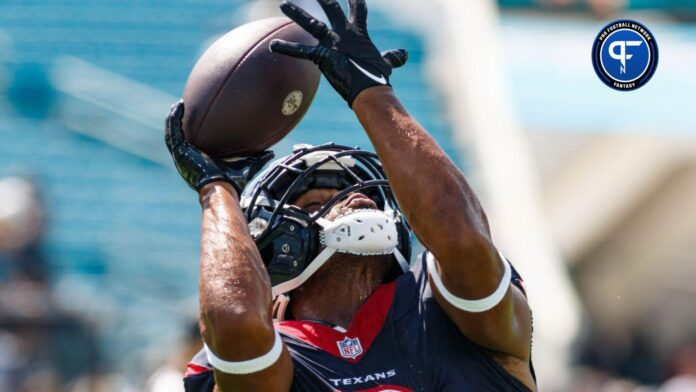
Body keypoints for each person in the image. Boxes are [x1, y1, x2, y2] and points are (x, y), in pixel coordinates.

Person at [165, 0, 536, 390]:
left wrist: (372, 92)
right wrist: (216, 188)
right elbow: (236, 320)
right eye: (319, 200)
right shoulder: (276, 354)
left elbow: (464, 242)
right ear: (276, 248)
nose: (356, 199)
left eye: (357, 188)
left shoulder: (441, 306)